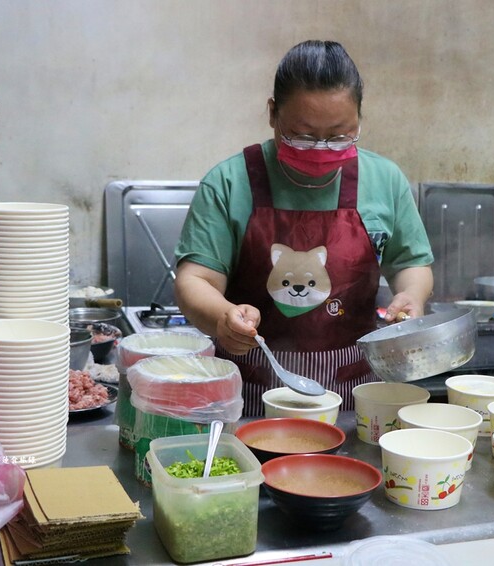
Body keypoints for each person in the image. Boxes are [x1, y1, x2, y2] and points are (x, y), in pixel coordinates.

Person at [174, 40, 434, 416]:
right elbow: (195, 279)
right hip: (251, 394)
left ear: (359, 120)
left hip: (354, 395)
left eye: (339, 137)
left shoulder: (384, 180)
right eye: (303, 135)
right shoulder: (230, 182)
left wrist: (412, 295)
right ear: (272, 113)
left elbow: (411, 263)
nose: (320, 149)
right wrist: (222, 318)